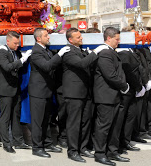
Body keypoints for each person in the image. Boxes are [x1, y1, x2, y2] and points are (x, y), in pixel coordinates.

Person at [61, 28, 106, 163]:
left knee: (85, 121)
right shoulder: (68, 52)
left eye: (80, 36)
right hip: (74, 93)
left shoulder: (80, 50)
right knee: (74, 123)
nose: (81, 38)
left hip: (85, 92)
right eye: (78, 37)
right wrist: (95, 52)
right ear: (70, 40)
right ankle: (73, 151)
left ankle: (83, 147)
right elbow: (82, 64)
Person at [29, 28, 69, 158]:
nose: (49, 38)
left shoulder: (46, 50)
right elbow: (47, 66)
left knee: (46, 120)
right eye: (46, 36)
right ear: (38, 38)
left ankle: (47, 142)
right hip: (38, 91)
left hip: (46, 90)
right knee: (38, 121)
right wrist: (60, 54)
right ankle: (37, 147)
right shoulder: (36, 52)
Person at [93, 27, 129, 166]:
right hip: (106, 95)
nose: (118, 42)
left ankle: (112, 152)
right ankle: (100, 154)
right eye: (117, 39)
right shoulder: (105, 53)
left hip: (114, 95)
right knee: (104, 126)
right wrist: (124, 86)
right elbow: (110, 75)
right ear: (109, 38)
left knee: (115, 126)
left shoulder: (110, 52)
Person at [0, 31, 31, 154]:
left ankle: (18, 141)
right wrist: (22, 60)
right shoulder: (2, 52)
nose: (17, 46)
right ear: (8, 41)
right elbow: (7, 67)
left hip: (15, 89)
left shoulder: (14, 51)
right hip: (5, 90)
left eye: (18, 43)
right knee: (5, 117)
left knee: (16, 116)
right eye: (15, 43)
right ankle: (6, 143)